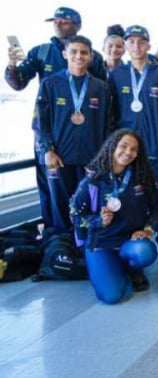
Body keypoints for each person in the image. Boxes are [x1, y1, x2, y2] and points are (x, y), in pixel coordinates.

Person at [6, 6, 107, 236]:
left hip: (87, 140)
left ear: (78, 25)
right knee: (53, 195)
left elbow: (103, 98)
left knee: (88, 192)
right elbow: (18, 83)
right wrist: (12, 65)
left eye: (65, 21)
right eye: (56, 21)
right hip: (55, 137)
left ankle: (85, 239)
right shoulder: (41, 52)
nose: (59, 24)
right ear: (65, 55)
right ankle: (57, 243)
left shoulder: (95, 58)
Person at [69, 129, 158, 304]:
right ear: (112, 146)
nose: (128, 152)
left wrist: (148, 230)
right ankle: (111, 268)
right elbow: (75, 215)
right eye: (124, 146)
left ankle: (133, 268)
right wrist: (98, 221)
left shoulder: (143, 177)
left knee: (144, 251)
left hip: (130, 242)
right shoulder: (93, 180)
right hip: (101, 244)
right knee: (111, 296)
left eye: (134, 149)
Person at [35, 35, 114, 235]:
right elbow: (39, 122)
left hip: (91, 159)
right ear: (65, 54)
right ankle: (63, 248)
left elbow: (108, 126)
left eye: (84, 52)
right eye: (74, 52)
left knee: (88, 204)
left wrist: (103, 158)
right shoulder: (50, 84)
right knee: (60, 205)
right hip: (59, 157)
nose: (79, 56)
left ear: (90, 56)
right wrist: (48, 150)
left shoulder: (101, 87)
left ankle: (85, 248)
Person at [109, 25, 158, 194]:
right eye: (131, 42)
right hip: (126, 148)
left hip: (157, 145)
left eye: (141, 42)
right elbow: (111, 112)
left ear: (149, 46)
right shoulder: (117, 75)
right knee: (130, 192)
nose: (136, 46)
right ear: (125, 46)